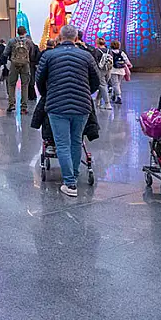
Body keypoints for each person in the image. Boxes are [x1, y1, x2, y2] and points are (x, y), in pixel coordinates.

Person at [35, 24, 100, 198]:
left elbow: (39, 80)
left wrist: (47, 94)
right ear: (76, 38)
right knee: (76, 141)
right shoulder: (86, 56)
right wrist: (85, 92)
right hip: (82, 106)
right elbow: (96, 81)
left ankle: (70, 183)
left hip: (57, 106)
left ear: (60, 37)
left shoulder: (49, 55)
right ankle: (75, 176)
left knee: (62, 144)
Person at [4, 27, 34, 114]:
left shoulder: (12, 41)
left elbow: (5, 53)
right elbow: (31, 54)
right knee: (25, 85)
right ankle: (24, 107)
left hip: (14, 64)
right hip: (25, 65)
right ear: (25, 32)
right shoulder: (29, 42)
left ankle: (11, 104)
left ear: (17, 32)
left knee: (11, 84)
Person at [108, 40, 131, 104]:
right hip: (122, 71)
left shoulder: (110, 52)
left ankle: (118, 97)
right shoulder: (122, 53)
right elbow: (127, 61)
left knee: (115, 84)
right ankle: (114, 95)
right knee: (118, 84)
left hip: (113, 70)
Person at [94, 37, 113, 110]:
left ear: (97, 43)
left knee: (102, 85)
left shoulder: (97, 51)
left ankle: (107, 104)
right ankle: (98, 100)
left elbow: (95, 61)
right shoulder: (109, 51)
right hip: (108, 69)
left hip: (100, 70)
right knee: (103, 85)